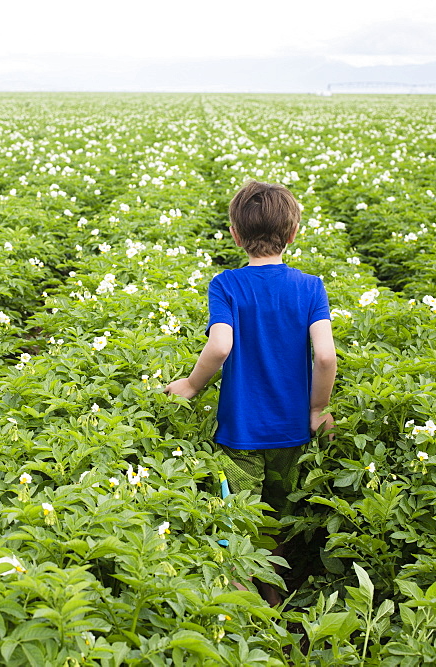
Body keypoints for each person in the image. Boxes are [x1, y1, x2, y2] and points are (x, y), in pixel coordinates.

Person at [165, 180, 337, 605]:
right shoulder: (310, 286)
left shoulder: (226, 286)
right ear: (293, 234)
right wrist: (317, 408)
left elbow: (220, 346)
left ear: (235, 235)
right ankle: (275, 592)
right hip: (292, 432)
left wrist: (189, 385)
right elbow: (327, 358)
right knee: (272, 516)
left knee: (236, 523)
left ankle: (249, 610)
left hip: (240, 435)